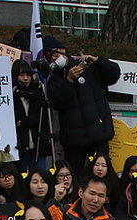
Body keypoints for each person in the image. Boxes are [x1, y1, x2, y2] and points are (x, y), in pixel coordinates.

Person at [43, 35, 120, 174]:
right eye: (50, 57)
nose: (54, 58)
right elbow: (58, 103)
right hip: (74, 141)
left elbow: (114, 75)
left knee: (102, 173)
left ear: (63, 50)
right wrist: (69, 81)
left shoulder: (89, 68)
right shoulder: (55, 80)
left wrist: (98, 61)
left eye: (55, 54)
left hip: (98, 135)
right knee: (75, 175)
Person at [12, 58, 47, 171]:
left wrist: (24, 122)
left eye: (28, 74)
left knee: (41, 175)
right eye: (21, 75)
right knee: (23, 177)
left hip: (38, 144)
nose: (26, 78)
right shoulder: (11, 97)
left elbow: (42, 117)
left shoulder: (37, 93)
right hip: (20, 146)